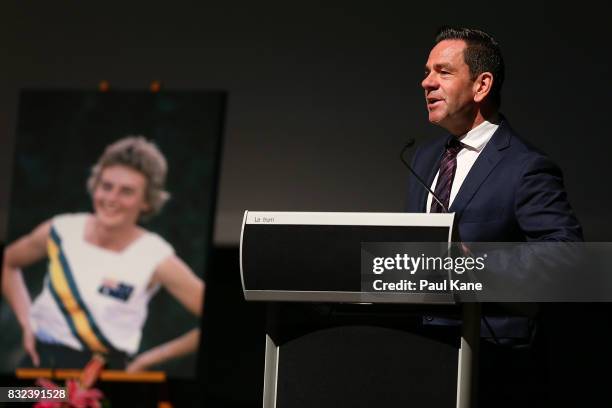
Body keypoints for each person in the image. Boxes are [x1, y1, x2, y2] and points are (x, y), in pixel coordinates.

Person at [406, 27, 583, 406]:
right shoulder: (423, 157)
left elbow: (566, 255)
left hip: (494, 360)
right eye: (426, 71)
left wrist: (481, 265)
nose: (426, 82)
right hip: (419, 351)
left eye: (443, 72)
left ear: (482, 85)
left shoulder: (526, 166)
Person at [1, 136, 205, 372]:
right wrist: (27, 323)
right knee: (11, 398)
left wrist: (146, 361)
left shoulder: (156, 257)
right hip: (37, 363)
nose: (111, 199)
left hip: (101, 377)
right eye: (106, 186)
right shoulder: (60, 231)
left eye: (126, 192)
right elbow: (8, 262)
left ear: (147, 201)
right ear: (94, 186)